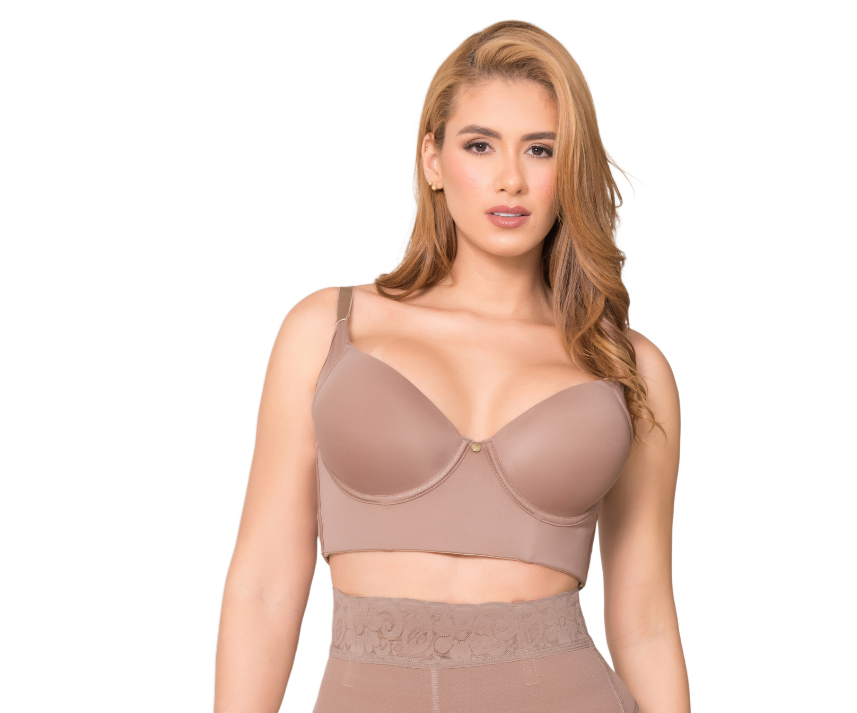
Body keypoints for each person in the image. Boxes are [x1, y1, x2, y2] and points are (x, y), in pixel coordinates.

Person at [215, 20, 688, 713]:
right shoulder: (327, 330)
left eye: (541, 149)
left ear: (570, 170)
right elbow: (263, 586)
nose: (510, 179)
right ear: (432, 159)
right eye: (479, 145)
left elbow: (645, 619)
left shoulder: (627, 366)